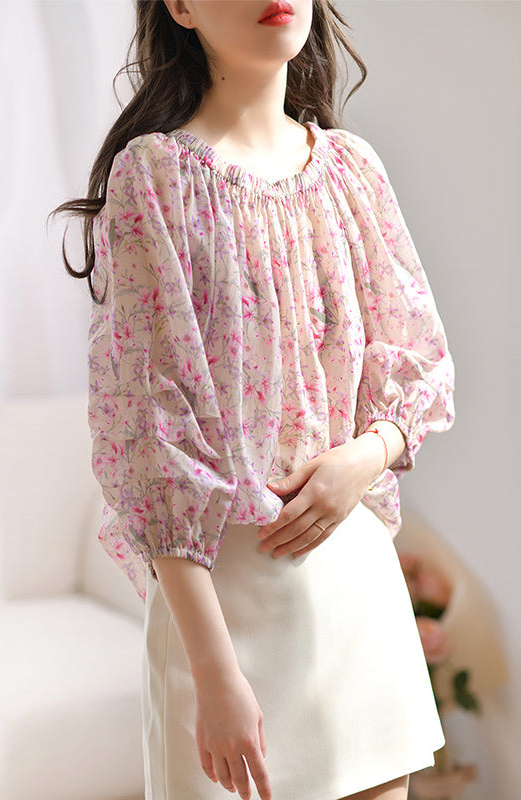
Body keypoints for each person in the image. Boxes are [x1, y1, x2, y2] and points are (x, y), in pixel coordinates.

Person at [52, 2, 455, 799]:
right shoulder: (154, 178)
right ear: (181, 7)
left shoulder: (353, 171)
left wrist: (362, 459)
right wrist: (213, 673)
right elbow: (148, 447)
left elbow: (422, 362)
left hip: (357, 593)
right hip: (223, 614)